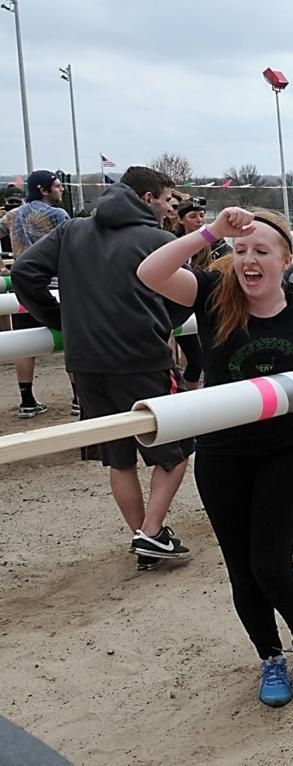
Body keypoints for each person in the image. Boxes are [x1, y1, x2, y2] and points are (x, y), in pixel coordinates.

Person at [137, 206, 293, 707]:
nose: (249, 260)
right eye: (241, 250)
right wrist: (209, 233)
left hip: (284, 448)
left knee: (270, 561)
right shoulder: (212, 293)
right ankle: (269, 656)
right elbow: (150, 273)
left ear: (286, 260)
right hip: (222, 451)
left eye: (261, 251)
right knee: (241, 569)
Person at [13, 166, 194, 572]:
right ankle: (150, 534)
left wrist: (61, 319)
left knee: (119, 456)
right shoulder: (158, 240)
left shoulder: (71, 230)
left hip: (85, 361)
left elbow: (25, 271)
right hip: (142, 359)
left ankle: (146, 537)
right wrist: (161, 318)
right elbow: (187, 297)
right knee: (175, 451)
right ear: (147, 198)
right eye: (168, 200)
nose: (172, 209)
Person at [0, 170, 70, 418]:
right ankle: (78, 398)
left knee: (22, 344)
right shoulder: (58, 215)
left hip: (22, 287)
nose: (61, 190)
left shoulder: (11, 215)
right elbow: (72, 246)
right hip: (54, 286)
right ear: (44, 189)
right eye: (58, 186)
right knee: (71, 339)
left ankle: (26, 400)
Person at [172, 197, 229, 390]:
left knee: (201, 361)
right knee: (194, 359)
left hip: (207, 308)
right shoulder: (172, 243)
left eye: (202, 215)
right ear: (181, 219)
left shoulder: (218, 245)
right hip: (180, 311)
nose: (199, 220)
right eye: (193, 216)